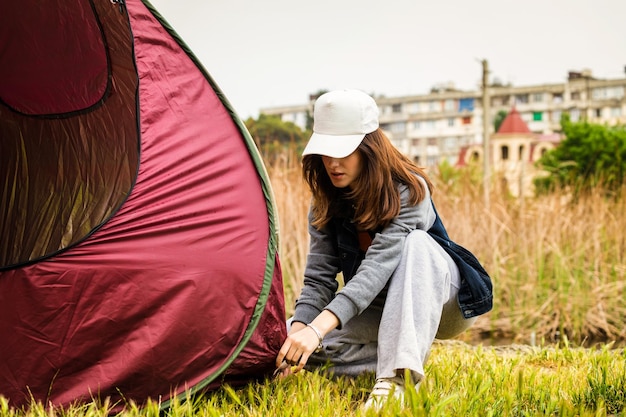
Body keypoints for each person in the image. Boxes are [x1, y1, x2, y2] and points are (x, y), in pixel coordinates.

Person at [275, 89, 491, 410]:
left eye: (344, 151)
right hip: (379, 309)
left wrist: (317, 329)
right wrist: (294, 337)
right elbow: (318, 281)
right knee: (307, 347)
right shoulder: (325, 200)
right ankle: (399, 359)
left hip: (445, 301)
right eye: (325, 151)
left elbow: (375, 270)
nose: (333, 163)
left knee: (416, 242)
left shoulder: (410, 189)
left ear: (368, 148)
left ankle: (397, 378)